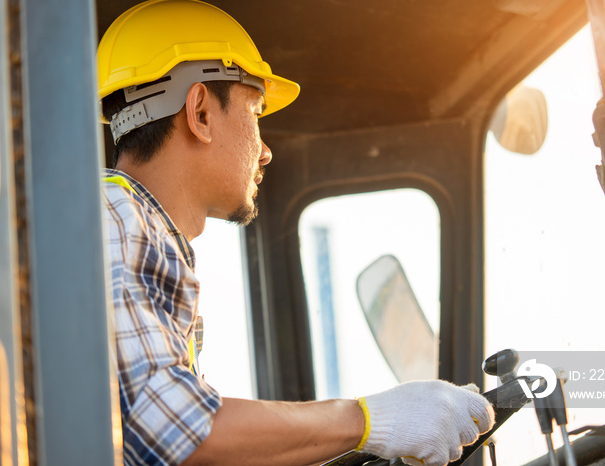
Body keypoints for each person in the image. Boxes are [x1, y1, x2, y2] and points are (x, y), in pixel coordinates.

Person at [98, 1, 495, 465]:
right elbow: (169, 430)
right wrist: (369, 420)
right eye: (256, 115)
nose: (265, 152)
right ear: (201, 113)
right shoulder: (120, 216)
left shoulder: (126, 227)